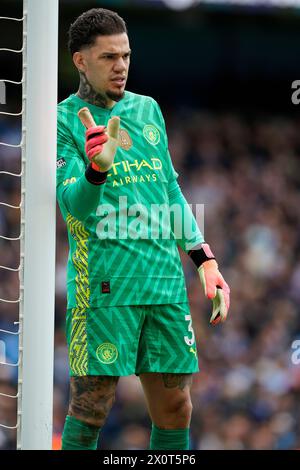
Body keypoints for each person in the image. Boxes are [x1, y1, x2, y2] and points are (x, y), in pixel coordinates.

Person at [56, 7, 230, 451]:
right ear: (80, 60)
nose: (121, 67)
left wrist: (204, 260)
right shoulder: (63, 120)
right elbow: (73, 207)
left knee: (176, 408)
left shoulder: (148, 110)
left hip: (165, 283)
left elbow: (169, 190)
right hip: (105, 283)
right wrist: (97, 171)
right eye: (109, 57)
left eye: (126, 55)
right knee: (92, 409)